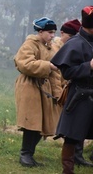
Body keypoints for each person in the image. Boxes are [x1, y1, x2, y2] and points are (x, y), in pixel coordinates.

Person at [13, 17, 62, 167]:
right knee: (32, 123)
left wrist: (58, 92)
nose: (52, 35)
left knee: (41, 124)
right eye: (49, 32)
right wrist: (48, 66)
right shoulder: (30, 44)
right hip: (30, 87)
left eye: (54, 32)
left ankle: (30, 154)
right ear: (40, 32)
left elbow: (56, 71)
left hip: (45, 89)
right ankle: (25, 155)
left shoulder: (52, 47)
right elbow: (24, 64)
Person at [51, 6, 93, 173]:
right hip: (80, 96)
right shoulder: (75, 43)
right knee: (71, 136)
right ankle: (67, 171)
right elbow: (67, 72)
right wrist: (88, 66)